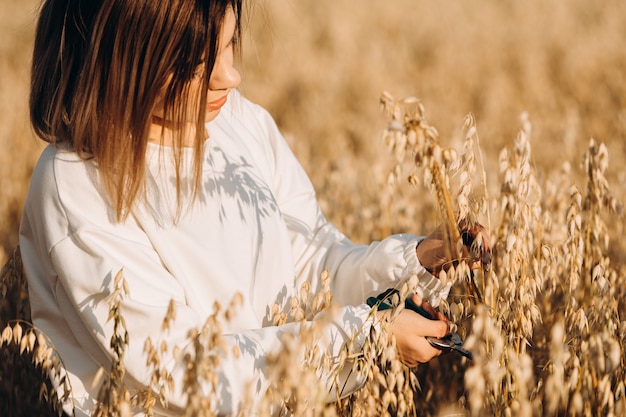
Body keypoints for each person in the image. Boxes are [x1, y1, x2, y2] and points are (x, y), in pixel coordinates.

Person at [19, 0, 489, 416]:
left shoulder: (240, 123)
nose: (230, 76)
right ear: (121, 58)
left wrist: (416, 262)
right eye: (193, 62)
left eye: (229, 45)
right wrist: (366, 341)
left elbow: (314, 267)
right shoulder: (77, 184)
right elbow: (184, 371)